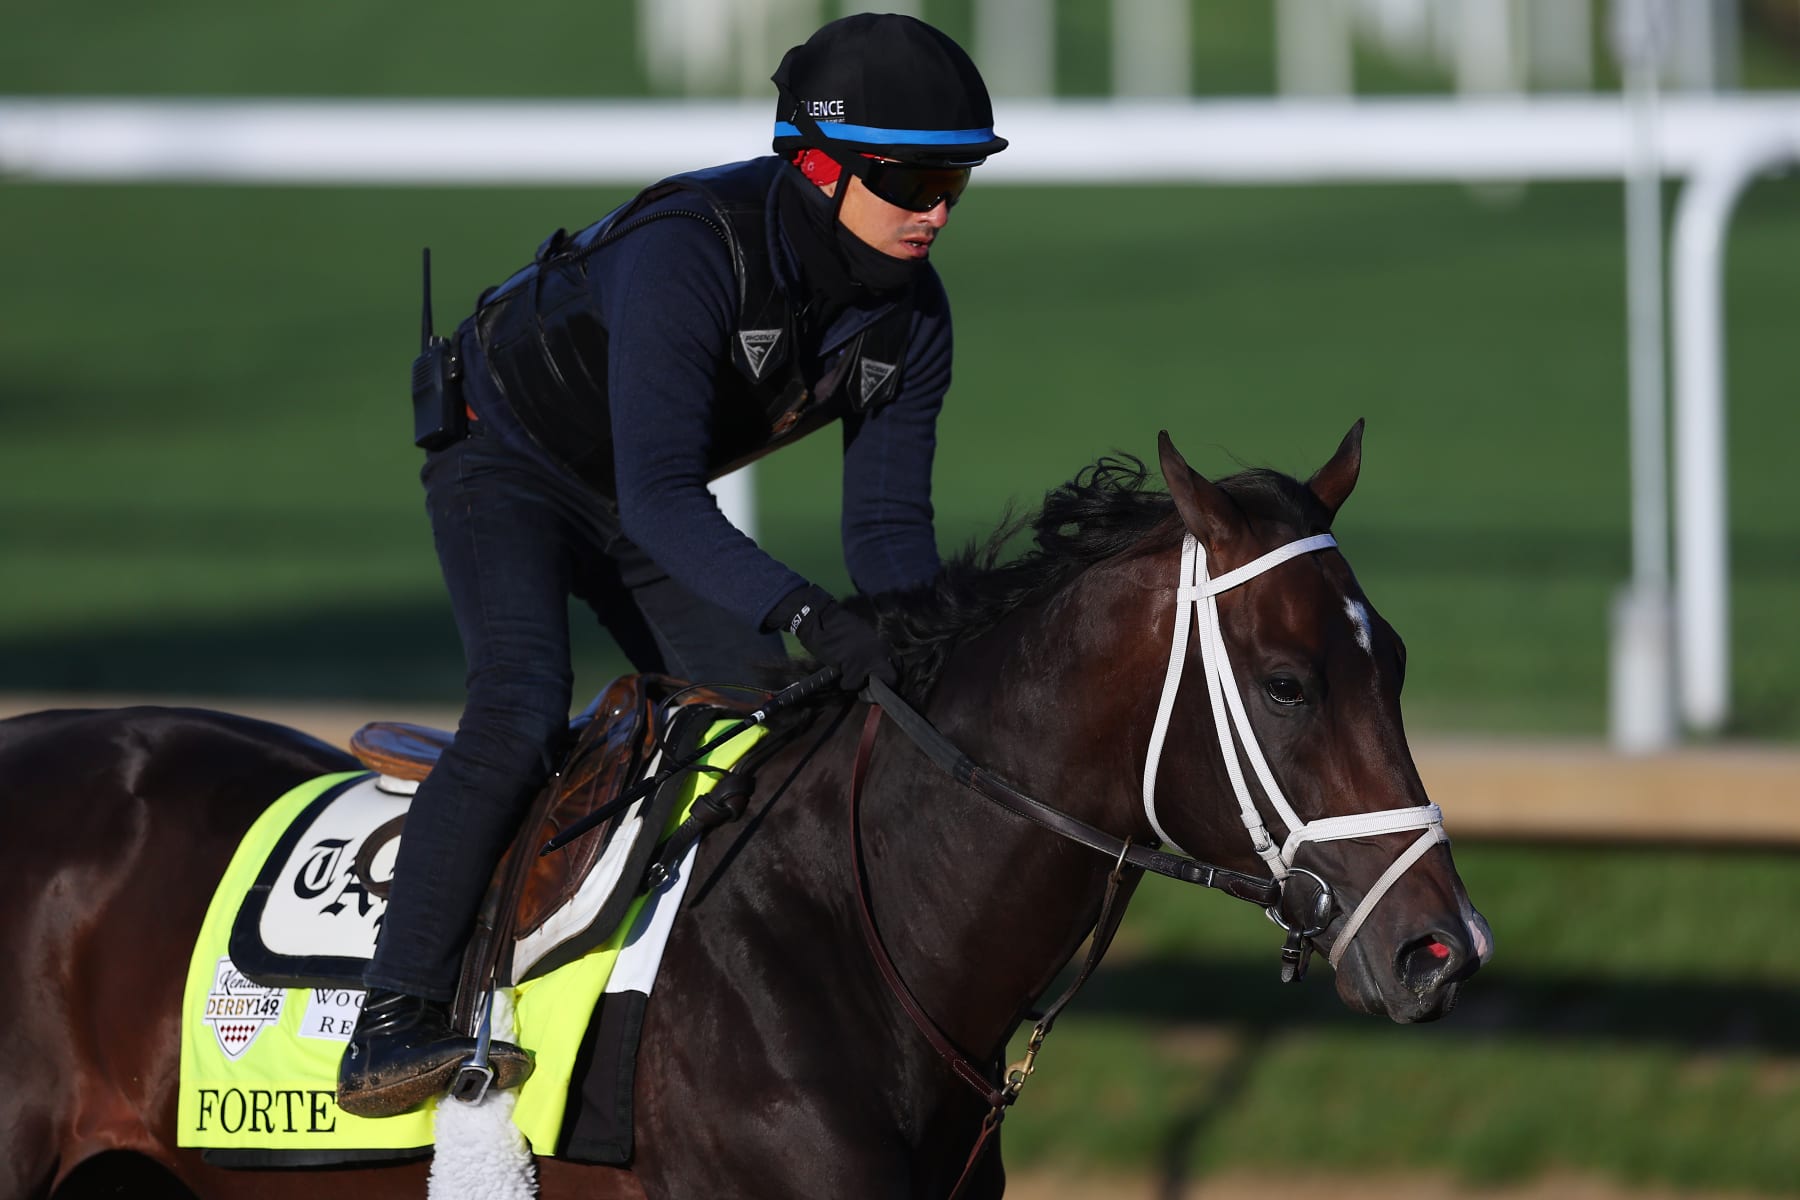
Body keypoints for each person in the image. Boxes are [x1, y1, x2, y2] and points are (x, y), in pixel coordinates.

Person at [336, 12, 1007, 1118]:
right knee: (518, 702)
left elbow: (886, 533)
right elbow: (660, 497)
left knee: (777, 720)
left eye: (958, 182)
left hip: (639, 497)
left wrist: (923, 654)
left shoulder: (912, 317)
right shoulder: (691, 249)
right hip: (505, 458)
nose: (936, 210)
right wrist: (802, 611)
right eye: (909, 179)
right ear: (820, 163)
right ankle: (392, 1022)